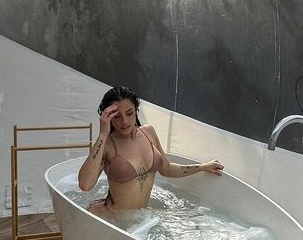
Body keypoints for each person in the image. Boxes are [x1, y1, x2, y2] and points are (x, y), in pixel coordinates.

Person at [78, 86, 224, 215]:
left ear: (136, 110)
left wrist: (202, 167)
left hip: (139, 217)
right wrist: (103, 134)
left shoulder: (149, 132)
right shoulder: (107, 145)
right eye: (117, 116)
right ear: (108, 117)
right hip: (111, 218)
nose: (125, 121)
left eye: (129, 113)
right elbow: (85, 185)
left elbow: (167, 169)